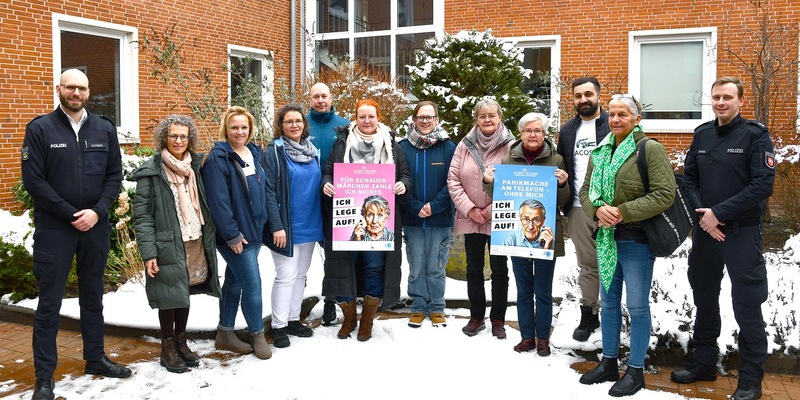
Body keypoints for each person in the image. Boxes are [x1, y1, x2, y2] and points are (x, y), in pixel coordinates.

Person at [21, 68, 130, 400]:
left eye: (81, 88)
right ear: (59, 89)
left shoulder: (103, 128)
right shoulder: (40, 128)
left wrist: (97, 211)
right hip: (56, 228)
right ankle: (44, 377)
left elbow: (114, 174)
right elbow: (34, 181)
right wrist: (71, 214)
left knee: (93, 297)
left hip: (94, 227)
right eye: (70, 87)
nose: (76, 93)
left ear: (88, 91)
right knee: (50, 303)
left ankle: (95, 358)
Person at [670, 77, 775, 400]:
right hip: (706, 234)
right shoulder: (702, 134)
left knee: (747, 306)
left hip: (741, 234)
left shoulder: (755, 136)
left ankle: (750, 379)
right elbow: (688, 179)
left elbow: (762, 185)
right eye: (716, 97)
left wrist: (720, 213)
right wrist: (705, 218)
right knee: (704, 300)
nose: (721, 102)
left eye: (727, 97)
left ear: (741, 101)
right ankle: (704, 363)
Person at [577, 95, 675, 397]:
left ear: (637, 119)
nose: (616, 119)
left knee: (636, 306)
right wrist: (596, 209)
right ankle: (608, 362)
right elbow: (584, 191)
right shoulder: (600, 151)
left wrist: (621, 211)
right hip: (606, 240)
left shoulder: (649, 149)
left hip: (636, 241)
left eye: (623, 114)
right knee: (608, 304)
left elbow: (663, 194)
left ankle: (634, 371)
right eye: (613, 114)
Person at [131, 115, 221, 373]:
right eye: (173, 136)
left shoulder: (196, 167)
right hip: (167, 244)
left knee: (184, 294)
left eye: (183, 136)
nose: (179, 140)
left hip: (195, 239)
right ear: (164, 138)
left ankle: (181, 342)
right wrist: (149, 253)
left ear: (189, 138)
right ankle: (167, 348)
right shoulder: (152, 171)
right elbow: (143, 217)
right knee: (169, 297)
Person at [320, 99, 412, 342]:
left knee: (374, 266)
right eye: (362, 116)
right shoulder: (342, 142)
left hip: (380, 221)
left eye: (371, 116)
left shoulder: (391, 145)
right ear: (356, 118)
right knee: (343, 266)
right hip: (348, 216)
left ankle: (367, 319)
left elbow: (404, 174)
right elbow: (329, 170)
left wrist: (403, 184)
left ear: (378, 117)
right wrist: (326, 183)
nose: (367, 121)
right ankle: (349, 318)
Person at [482, 112, 570, 356]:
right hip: (516, 237)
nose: (533, 135)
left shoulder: (556, 160)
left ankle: (543, 338)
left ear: (545, 134)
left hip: (545, 238)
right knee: (523, 289)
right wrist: (488, 182)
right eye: (529, 130)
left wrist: (562, 184)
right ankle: (526, 336)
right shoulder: (508, 160)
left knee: (543, 289)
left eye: (538, 131)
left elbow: (564, 201)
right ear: (520, 134)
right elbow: (498, 195)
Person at [201, 106, 271, 360]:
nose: (240, 132)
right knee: (253, 285)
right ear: (226, 129)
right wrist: (232, 235)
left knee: (235, 281)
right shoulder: (217, 159)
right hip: (235, 236)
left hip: (254, 231)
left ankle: (225, 332)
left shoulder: (254, 153)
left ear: (250, 129)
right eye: (234, 127)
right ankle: (257, 334)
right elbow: (218, 202)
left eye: (244, 127)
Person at [447, 98, 514, 339]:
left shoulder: (511, 146)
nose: (487, 120)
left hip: (499, 217)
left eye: (491, 115)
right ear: (476, 118)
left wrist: (490, 211)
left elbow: (515, 183)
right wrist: (470, 210)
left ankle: (498, 319)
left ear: (500, 118)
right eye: (482, 115)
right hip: (471, 217)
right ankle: (476, 316)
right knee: (473, 269)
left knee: (499, 270)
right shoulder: (464, 145)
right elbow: (453, 180)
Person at [261, 103, 323, 349]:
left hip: (311, 222)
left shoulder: (312, 150)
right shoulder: (274, 152)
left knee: (300, 276)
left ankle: (293, 319)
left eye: (298, 121)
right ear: (281, 126)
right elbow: (268, 191)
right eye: (289, 122)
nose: (294, 125)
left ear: (304, 124)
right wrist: (276, 226)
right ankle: (278, 326)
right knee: (285, 275)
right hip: (286, 226)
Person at [556, 77, 610, 342]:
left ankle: (613, 312)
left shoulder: (615, 124)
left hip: (610, 210)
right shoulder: (567, 130)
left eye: (588, 94)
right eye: (578, 95)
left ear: (599, 95)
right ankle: (589, 313)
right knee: (587, 265)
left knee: (613, 263)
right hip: (578, 208)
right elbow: (561, 165)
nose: (583, 99)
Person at [398, 101, 456, 328]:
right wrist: (413, 206)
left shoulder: (448, 147)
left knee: (436, 265)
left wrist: (434, 206)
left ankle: (437, 306)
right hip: (412, 218)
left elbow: (452, 182)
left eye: (429, 117)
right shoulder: (401, 147)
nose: (425, 121)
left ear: (436, 120)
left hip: (439, 218)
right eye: (421, 117)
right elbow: (397, 181)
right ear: (414, 120)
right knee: (416, 265)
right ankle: (418, 305)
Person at [307, 82, 350, 327]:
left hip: (337, 196)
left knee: (334, 254)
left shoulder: (343, 125)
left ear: (331, 98)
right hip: (306, 198)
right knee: (303, 255)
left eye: (324, 96)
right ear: (310, 99)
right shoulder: (301, 124)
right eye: (316, 96)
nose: (321, 100)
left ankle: (332, 300)